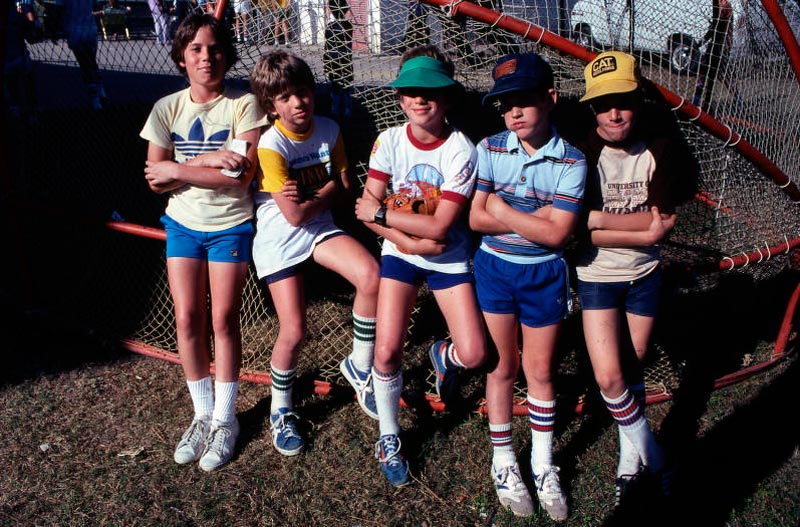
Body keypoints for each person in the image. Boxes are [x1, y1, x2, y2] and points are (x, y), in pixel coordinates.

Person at [354, 45, 486, 487]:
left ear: (448, 97)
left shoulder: (461, 150)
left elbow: (442, 227)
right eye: (409, 90)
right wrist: (407, 238)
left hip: (447, 259)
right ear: (398, 98)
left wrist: (384, 217)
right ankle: (389, 434)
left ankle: (441, 355)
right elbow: (367, 204)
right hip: (400, 253)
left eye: (430, 90)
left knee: (475, 353)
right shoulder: (388, 140)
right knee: (387, 351)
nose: (419, 99)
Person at [139, 13, 266, 472]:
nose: (206, 57)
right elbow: (154, 178)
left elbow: (239, 178)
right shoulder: (166, 109)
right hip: (182, 226)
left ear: (225, 55)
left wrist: (178, 169)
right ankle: (202, 414)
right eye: (195, 50)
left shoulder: (243, 105)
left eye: (213, 49)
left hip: (230, 225)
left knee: (222, 317)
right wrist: (209, 158)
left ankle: (226, 419)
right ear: (181, 59)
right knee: (187, 317)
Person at [469, 52, 586, 519]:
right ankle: (503, 461)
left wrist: (502, 210)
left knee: (539, 371)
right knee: (500, 367)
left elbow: (558, 235)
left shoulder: (572, 160)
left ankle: (542, 464)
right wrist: (531, 219)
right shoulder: (490, 148)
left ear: (551, 98)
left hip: (544, 273)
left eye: (525, 101)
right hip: (495, 269)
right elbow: (475, 219)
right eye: (505, 103)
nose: (513, 111)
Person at [574, 50, 692, 507]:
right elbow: (580, 221)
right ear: (591, 109)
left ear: (638, 101)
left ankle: (628, 455)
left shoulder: (658, 147)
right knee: (608, 377)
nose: (614, 113)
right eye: (603, 105)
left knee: (633, 363)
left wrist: (607, 223)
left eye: (623, 101)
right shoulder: (583, 152)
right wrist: (641, 227)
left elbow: (665, 217)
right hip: (598, 273)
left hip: (644, 272)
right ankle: (657, 457)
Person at [249, 49, 380, 456]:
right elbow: (290, 216)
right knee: (295, 331)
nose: (298, 102)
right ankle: (281, 409)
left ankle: (359, 365)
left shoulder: (329, 128)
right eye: (286, 97)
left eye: (303, 92)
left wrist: (313, 198)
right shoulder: (271, 144)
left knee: (371, 276)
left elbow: (344, 187)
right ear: (272, 105)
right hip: (278, 236)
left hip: (318, 225)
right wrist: (318, 197)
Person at [63, 0, 107, 110]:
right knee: (92, 62)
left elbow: (58, 9)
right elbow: (97, 6)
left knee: (85, 65)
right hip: (90, 29)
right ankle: (102, 92)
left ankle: (95, 100)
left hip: (75, 30)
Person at [323, 0, 354, 118]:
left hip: (334, 59)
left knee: (336, 85)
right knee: (344, 85)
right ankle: (344, 108)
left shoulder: (331, 27)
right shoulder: (348, 26)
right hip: (343, 59)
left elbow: (327, 47)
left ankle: (337, 108)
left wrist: (326, 61)